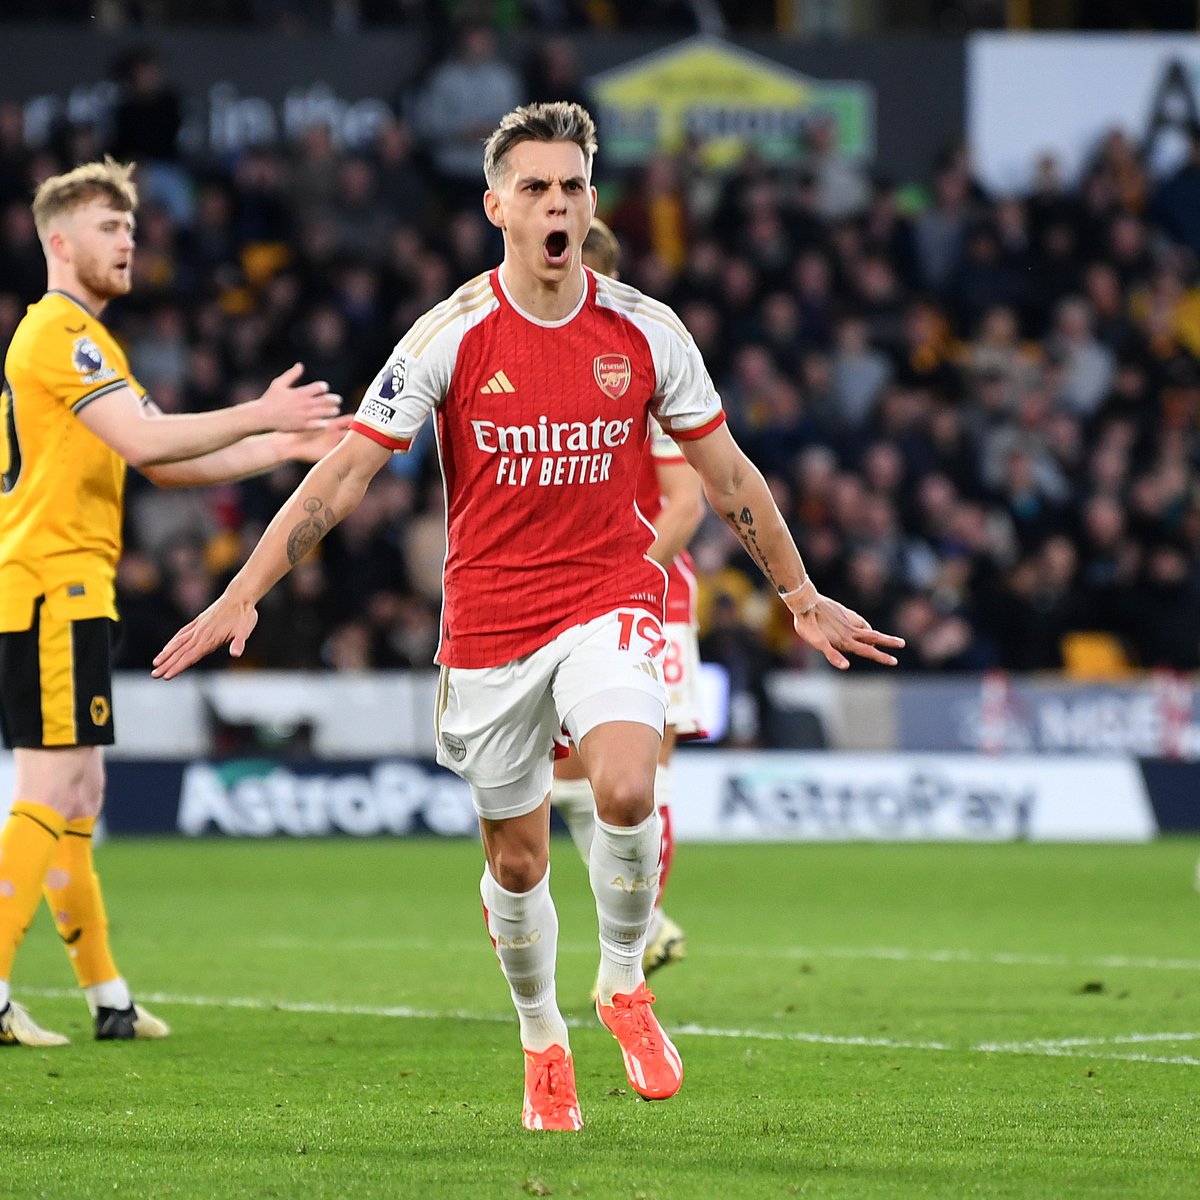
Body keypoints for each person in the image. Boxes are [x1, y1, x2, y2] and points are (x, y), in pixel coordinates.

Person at [151, 103, 903, 1131]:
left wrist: (799, 593)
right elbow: (343, 478)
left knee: (630, 786)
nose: (556, 204)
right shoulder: (450, 336)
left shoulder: (647, 330)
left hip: (611, 595)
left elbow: (728, 475)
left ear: (592, 202)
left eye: (572, 187)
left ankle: (625, 981)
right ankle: (543, 1036)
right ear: (496, 204)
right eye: (536, 188)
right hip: (493, 627)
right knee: (517, 861)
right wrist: (242, 591)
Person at [0, 158, 344, 1046]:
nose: (129, 241)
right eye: (110, 227)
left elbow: (163, 463)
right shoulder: (58, 335)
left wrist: (284, 448)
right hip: (49, 585)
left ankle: (107, 998)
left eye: (132, 228)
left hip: (66, 586)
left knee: (80, 789)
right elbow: (148, 435)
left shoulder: (90, 344)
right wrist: (261, 410)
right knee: (52, 783)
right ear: (59, 241)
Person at [550, 217, 704, 987]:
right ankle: (639, 926)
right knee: (575, 776)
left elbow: (689, 497)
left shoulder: (641, 355)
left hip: (651, 588)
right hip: (574, 593)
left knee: (650, 768)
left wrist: (628, 577)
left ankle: (641, 935)